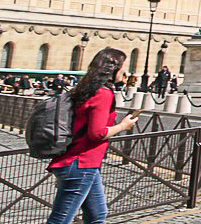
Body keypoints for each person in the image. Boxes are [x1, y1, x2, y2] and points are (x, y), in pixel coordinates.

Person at [45, 48, 141, 224]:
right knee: (60, 220)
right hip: (81, 163)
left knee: (97, 214)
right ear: (112, 69)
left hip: (82, 162)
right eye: (123, 67)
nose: (125, 72)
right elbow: (97, 133)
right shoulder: (103, 93)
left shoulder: (87, 89)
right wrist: (123, 126)